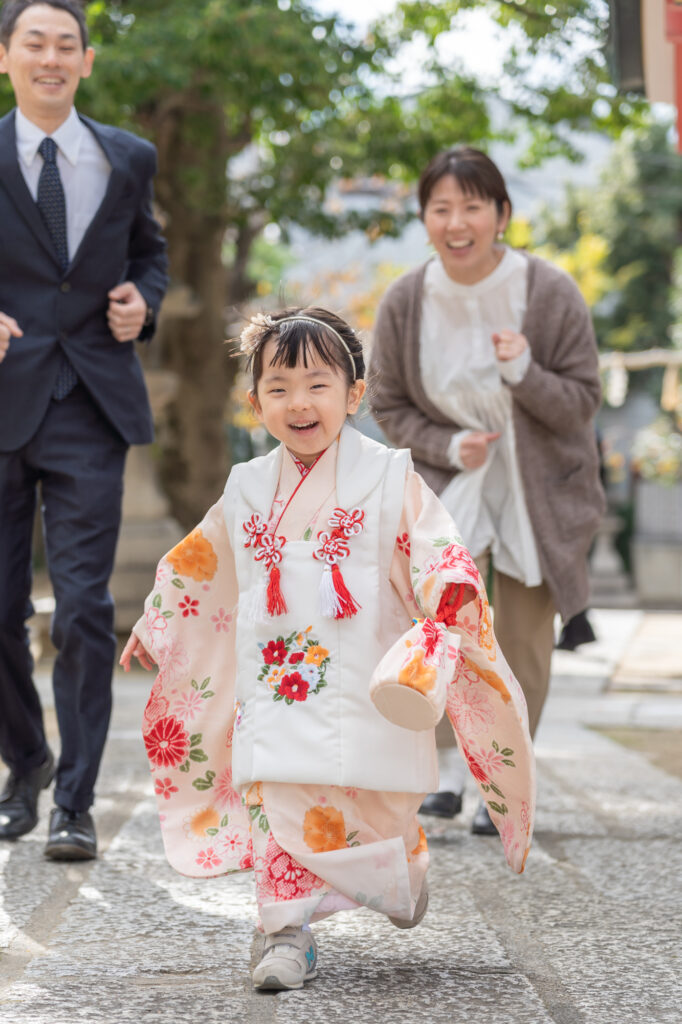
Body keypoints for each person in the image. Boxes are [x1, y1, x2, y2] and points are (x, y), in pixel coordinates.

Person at [120, 307, 535, 991]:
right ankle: (284, 934)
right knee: (279, 807)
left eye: (317, 383)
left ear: (354, 394)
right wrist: (158, 618)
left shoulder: (388, 474)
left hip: (368, 683)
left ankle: (395, 869)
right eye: (278, 387)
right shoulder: (247, 486)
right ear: (254, 403)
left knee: (374, 808)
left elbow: (435, 545)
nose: (298, 402)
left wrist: (452, 585)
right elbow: (202, 562)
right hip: (273, 687)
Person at [369, 147, 605, 835]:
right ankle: (442, 773)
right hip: (449, 486)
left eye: (473, 206)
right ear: (425, 219)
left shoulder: (550, 291)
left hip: (539, 490)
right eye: (441, 208)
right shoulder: (407, 299)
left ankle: (501, 782)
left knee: (524, 641)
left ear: (502, 215)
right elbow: (387, 402)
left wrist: (526, 370)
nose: (457, 221)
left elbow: (581, 402)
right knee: (438, 630)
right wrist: (448, 446)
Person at [0, 0, 168, 860]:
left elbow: (149, 255)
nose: (52, 57)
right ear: (6, 57)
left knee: (86, 610)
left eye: (68, 44)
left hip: (92, 402)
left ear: (87, 62)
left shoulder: (126, 156)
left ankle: (75, 801)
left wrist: (146, 299)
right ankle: (25, 762)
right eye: (36, 43)